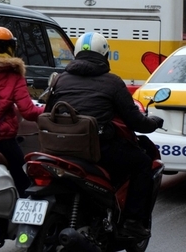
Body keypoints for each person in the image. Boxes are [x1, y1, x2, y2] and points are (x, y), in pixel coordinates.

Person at [44, 32, 164, 239]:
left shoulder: (60, 80)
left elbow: (49, 110)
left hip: (58, 147)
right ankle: (132, 223)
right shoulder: (112, 82)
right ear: (105, 55)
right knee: (143, 163)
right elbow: (135, 122)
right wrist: (153, 122)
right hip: (98, 149)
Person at [0, 27, 44, 196]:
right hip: (2, 140)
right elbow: (28, 111)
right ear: (10, 48)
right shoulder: (14, 75)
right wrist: (47, 110)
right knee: (23, 181)